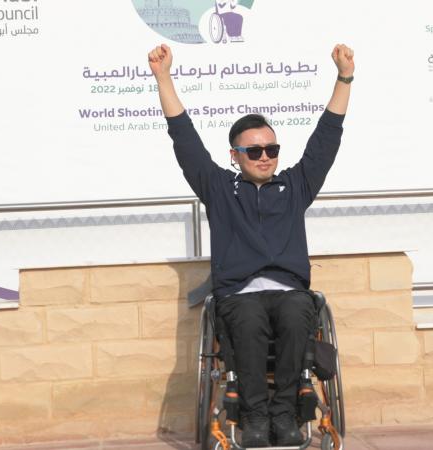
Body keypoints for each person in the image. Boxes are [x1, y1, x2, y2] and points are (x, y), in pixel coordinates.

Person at [148, 43, 353, 446]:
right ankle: (255, 418)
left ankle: (284, 414)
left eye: (271, 149)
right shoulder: (220, 189)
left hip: (289, 290)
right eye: (255, 150)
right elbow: (184, 138)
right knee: (247, 317)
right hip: (239, 293)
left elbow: (327, 136)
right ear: (235, 155)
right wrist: (163, 78)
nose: (265, 156)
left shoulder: (296, 185)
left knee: (298, 311)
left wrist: (344, 77)